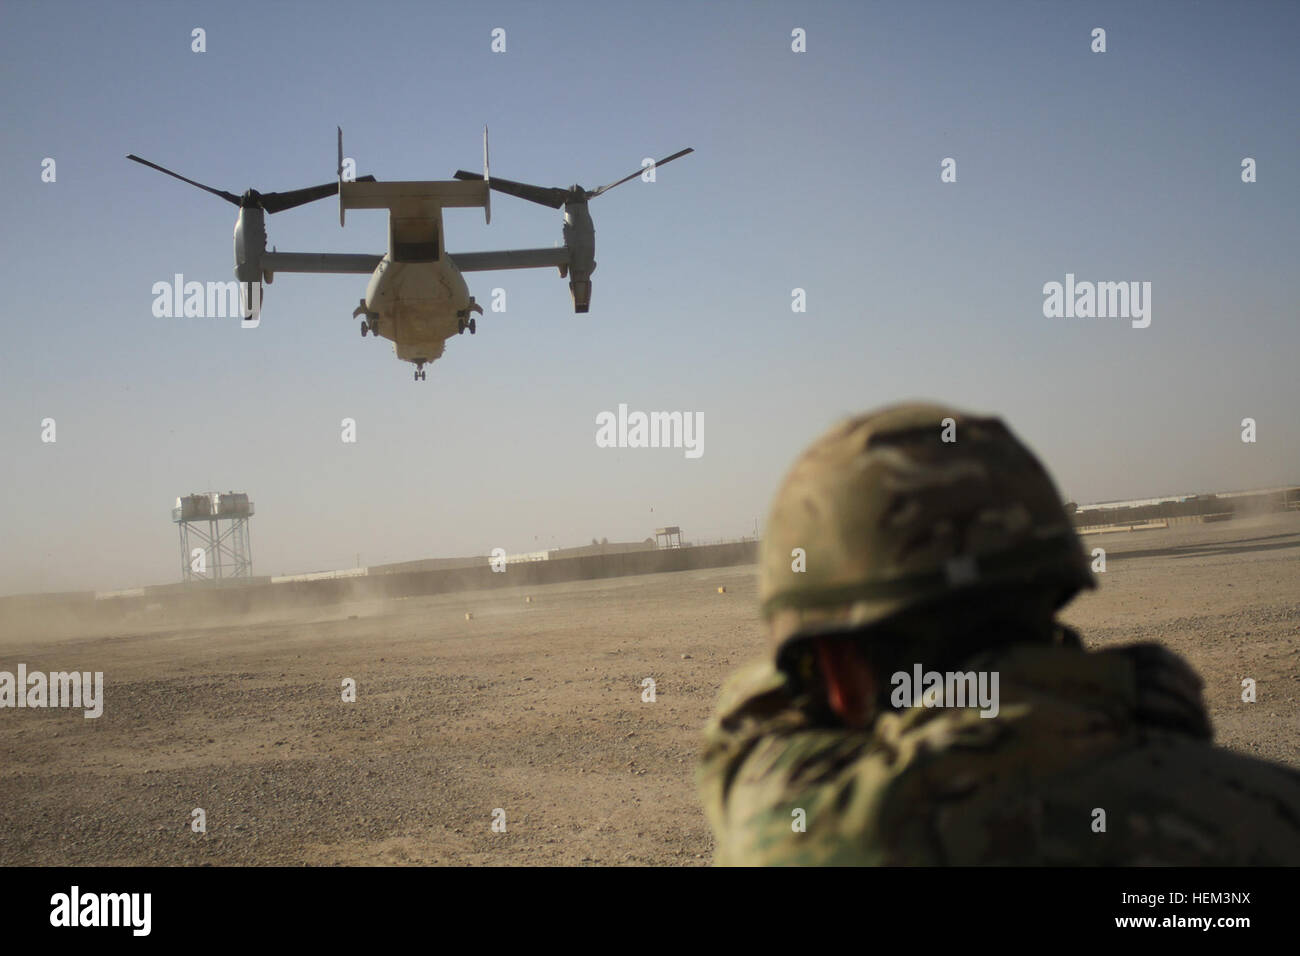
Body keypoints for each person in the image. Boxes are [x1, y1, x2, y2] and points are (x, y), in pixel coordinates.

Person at [698, 402, 1300, 865]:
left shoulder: (794, 832)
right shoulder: (1266, 815)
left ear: (831, 670)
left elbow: (745, 740)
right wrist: (1114, 696)